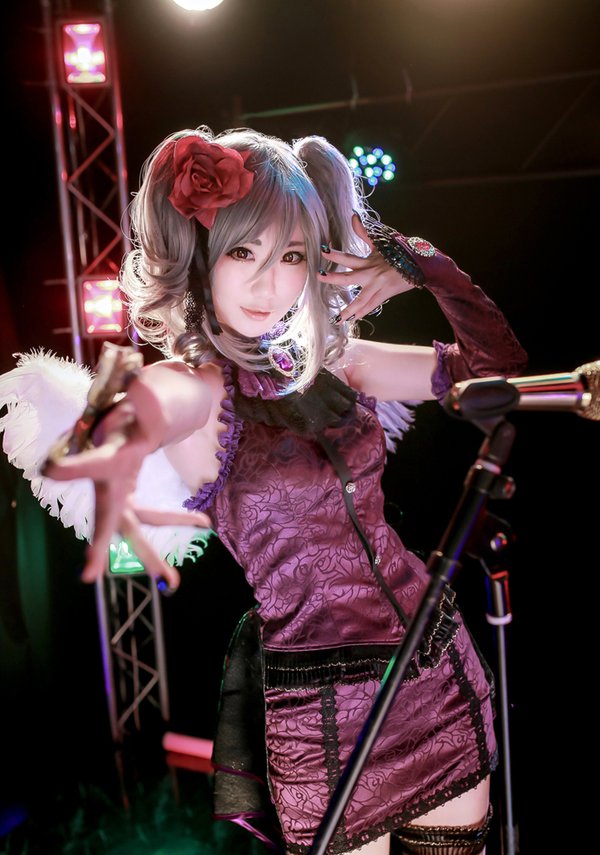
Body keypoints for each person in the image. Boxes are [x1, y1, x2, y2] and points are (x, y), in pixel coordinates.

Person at [4, 126, 527, 854]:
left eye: (291, 256)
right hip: (322, 716)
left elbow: (494, 374)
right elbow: (127, 419)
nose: (268, 283)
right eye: (243, 253)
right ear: (200, 258)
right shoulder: (195, 391)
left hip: (433, 670)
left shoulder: (337, 364)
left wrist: (421, 265)